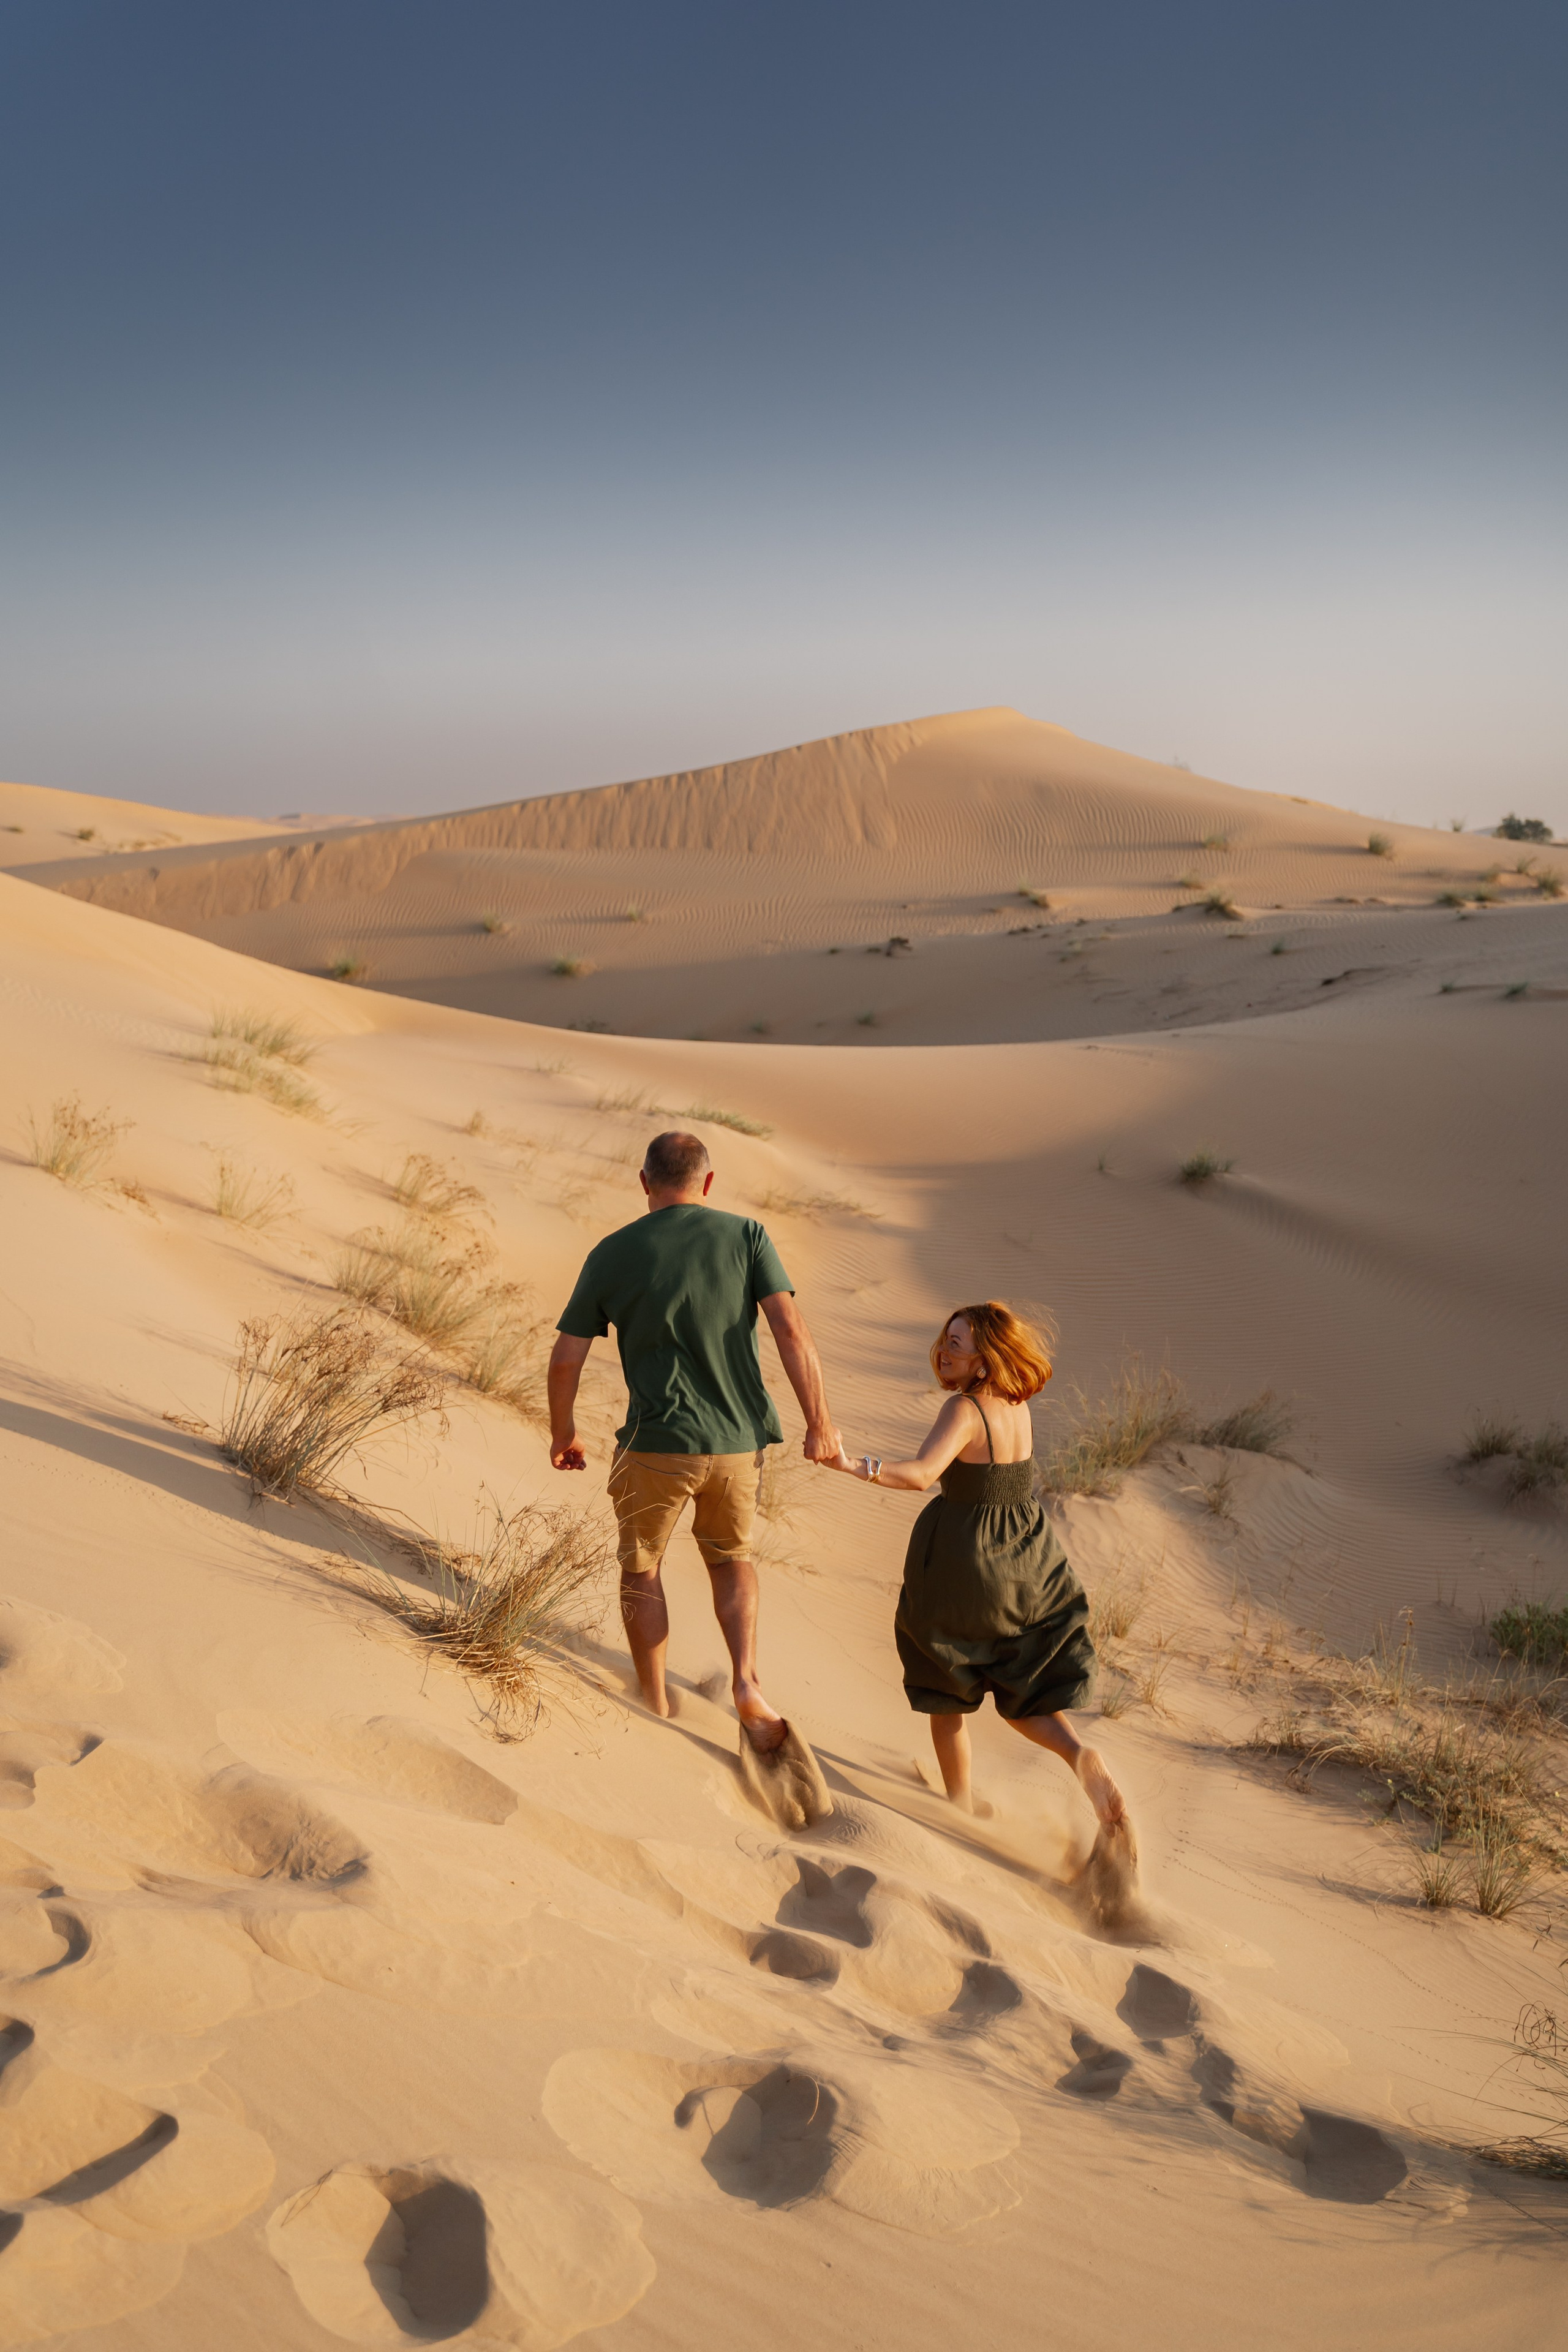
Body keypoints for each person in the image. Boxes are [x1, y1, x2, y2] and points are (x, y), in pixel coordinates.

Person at [548, 1129, 842, 1753]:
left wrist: (564, 1432)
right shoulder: (747, 1237)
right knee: (732, 1559)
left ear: (644, 1182)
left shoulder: (612, 1251)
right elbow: (791, 1330)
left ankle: (654, 1699)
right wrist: (819, 1422)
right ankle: (746, 1682)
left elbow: (566, 1358)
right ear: (707, 1184)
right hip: (737, 1443)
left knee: (641, 1566)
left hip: (656, 1442)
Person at [821, 1301, 1125, 1827]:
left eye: (956, 1345)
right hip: (1028, 1555)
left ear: (984, 1360)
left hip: (965, 1562)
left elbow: (920, 1475)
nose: (943, 1352)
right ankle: (1079, 1755)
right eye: (944, 1339)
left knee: (946, 1683)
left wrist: (851, 1465)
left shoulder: (965, 1411)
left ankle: (958, 1805)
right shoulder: (1017, 1403)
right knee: (1022, 1687)